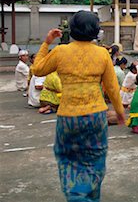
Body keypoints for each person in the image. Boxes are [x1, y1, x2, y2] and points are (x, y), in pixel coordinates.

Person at [32, 10, 125, 201]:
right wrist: (120, 112)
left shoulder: (61, 51)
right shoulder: (102, 54)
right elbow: (112, 87)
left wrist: (47, 42)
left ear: (72, 30)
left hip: (68, 116)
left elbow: (37, 68)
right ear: (95, 31)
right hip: (96, 115)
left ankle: (77, 195)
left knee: (68, 157)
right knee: (95, 157)